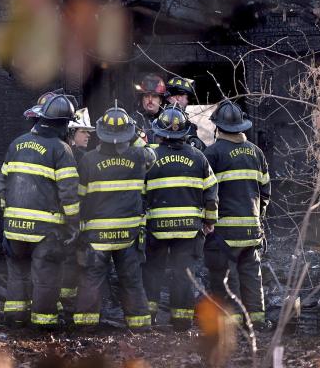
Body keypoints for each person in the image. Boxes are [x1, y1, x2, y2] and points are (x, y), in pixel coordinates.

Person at [0, 94, 80, 329]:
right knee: (46, 277)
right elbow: (69, 194)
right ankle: (43, 326)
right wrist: (73, 224)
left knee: (17, 274)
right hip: (46, 230)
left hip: (13, 228)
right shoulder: (62, 150)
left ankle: (15, 318)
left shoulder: (16, 144)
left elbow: (2, 184)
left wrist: (9, 215)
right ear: (63, 123)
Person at [73, 106, 154, 331]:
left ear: (101, 132)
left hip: (97, 236)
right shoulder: (139, 157)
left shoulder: (88, 160)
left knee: (91, 280)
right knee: (131, 280)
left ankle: (86, 327)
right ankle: (139, 325)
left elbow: (80, 197)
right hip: (129, 235)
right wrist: (136, 136)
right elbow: (152, 155)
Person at [143, 107, 218, 329]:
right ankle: (182, 321)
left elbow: (141, 192)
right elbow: (211, 195)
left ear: (160, 133)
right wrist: (209, 222)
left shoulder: (150, 156)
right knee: (184, 274)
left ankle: (149, 317)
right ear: (185, 132)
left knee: (152, 271)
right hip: (189, 230)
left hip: (156, 228)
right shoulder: (199, 157)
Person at [202, 101, 271, 329]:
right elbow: (265, 192)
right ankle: (257, 321)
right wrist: (257, 218)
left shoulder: (212, 154)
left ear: (218, 127)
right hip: (252, 230)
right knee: (252, 275)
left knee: (225, 279)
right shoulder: (256, 152)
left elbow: (205, 193)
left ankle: (233, 324)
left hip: (223, 233)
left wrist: (206, 222)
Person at [60, 107, 95, 309]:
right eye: (83, 131)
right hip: (67, 219)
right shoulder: (77, 157)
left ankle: (67, 300)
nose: (88, 135)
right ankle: (65, 300)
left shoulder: (80, 156)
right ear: (71, 133)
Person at [165, 76, 206, 152]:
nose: (188, 102)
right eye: (187, 98)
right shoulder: (183, 124)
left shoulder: (158, 122)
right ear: (178, 98)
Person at [134, 74, 167, 145]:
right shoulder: (133, 121)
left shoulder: (168, 120)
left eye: (154, 96)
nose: (150, 100)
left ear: (161, 101)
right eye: (146, 96)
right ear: (142, 99)